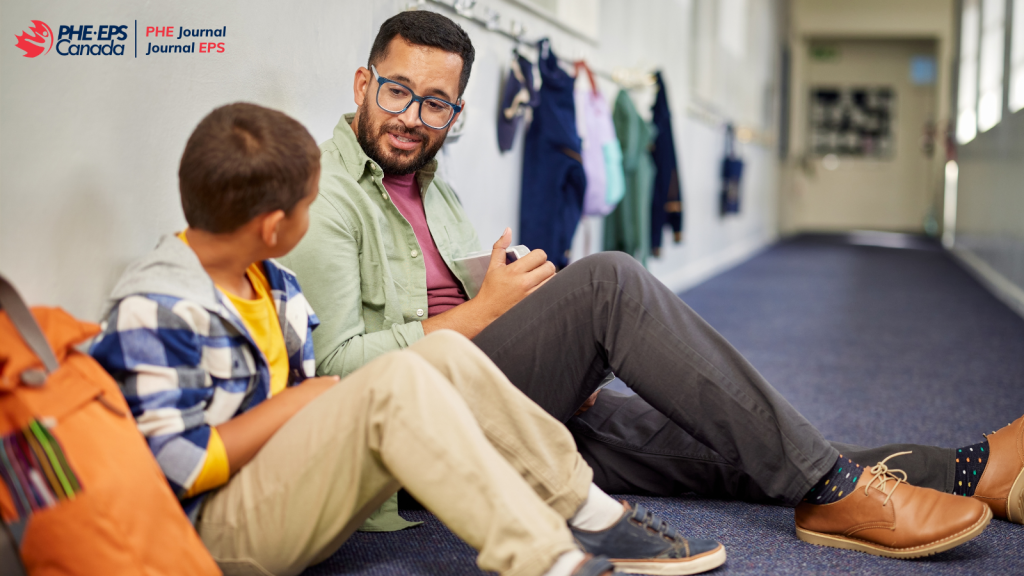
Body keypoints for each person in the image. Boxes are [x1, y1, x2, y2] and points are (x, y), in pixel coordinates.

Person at [279, 9, 1024, 560]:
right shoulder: (325, 198)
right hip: (415, 440)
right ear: (362, 82)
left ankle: (963, 471)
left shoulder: (431, 187)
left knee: (725, 434)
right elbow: (339, 377)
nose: (412, 118)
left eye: (435, 104)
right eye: (397, 92)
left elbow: (475, 308)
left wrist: (529, 320)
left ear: (456, 111)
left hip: (497, 401)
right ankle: (834, 493)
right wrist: (491, 315)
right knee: (610, 283)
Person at [89, 102, 738, 576]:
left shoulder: (275, 285)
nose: (316, 218)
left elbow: (314, 410)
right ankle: (545, 562)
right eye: (310, 207)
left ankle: (592, 516)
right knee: (397, 379)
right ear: (272, 226)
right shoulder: (158, 306)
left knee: (445, 353)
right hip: (214, 539)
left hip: (289, 488)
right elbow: (180, 466)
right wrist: (295, 405)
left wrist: (311, 404)